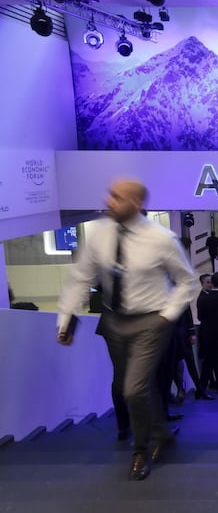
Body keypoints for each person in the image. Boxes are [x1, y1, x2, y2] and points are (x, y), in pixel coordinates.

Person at [56, 178, 198, 481]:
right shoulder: (98, 236)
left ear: (137, 203)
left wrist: (168, 315)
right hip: (113, 320)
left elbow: (188, 282)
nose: (109, 201)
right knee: (130, 387)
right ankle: (163, 434)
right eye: (110, 195)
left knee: (134, 388)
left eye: (117, 197)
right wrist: (66, 318)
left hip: (151, 321)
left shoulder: (162, 238)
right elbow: (81, 278)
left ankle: (140, 450)